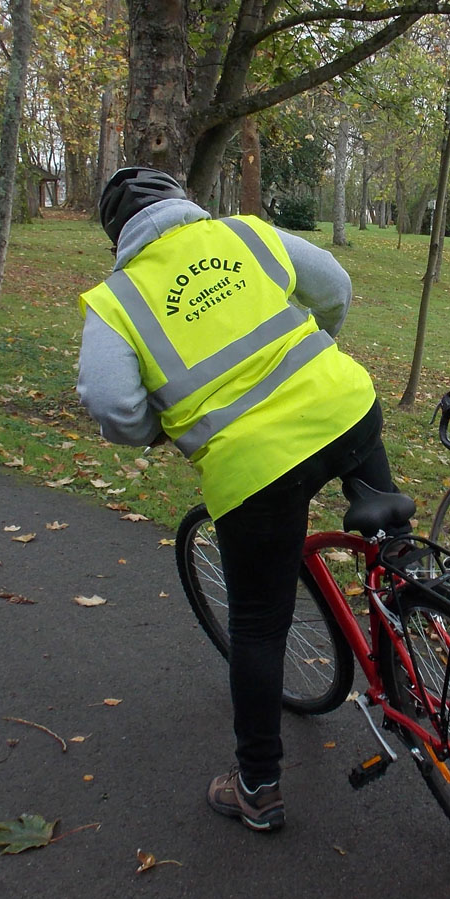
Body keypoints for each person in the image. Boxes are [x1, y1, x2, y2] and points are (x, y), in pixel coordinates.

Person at [78, 166, 402, 831]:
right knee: (389, 542)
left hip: (252, 472)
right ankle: (420, 659)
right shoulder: (244, 235)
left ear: (118, 234)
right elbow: (334, 285)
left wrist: (159, 431)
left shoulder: (116, 300)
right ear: (180, 202)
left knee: (258, 626)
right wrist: (320, 355)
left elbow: (111, 404)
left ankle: (257, 785)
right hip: (345, 409)